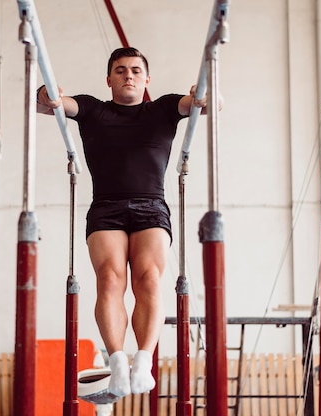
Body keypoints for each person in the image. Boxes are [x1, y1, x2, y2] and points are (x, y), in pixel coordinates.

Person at [36, 47, 222, 398]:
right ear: (109, 80)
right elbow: (51, 104)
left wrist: (204, 95)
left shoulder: (163, 108)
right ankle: (118, 360)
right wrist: (46, 94)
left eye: (135, 70)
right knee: (110, 278)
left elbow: (213, 105)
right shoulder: (93, 109)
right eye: (120, 71)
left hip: (152, 207)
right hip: (106, 208)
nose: (128, 76)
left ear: (146, 79)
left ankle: (143, 360)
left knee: (149, 279)